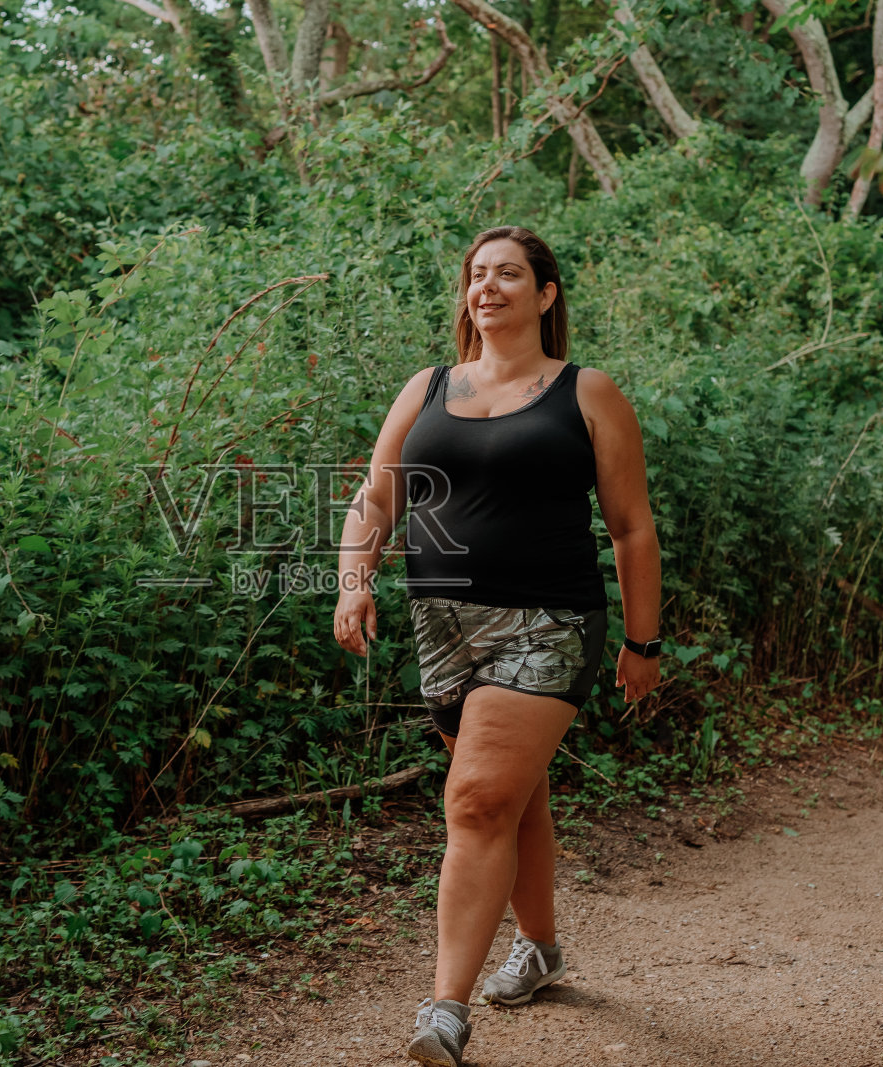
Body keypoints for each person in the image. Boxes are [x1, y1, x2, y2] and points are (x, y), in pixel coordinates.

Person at [333, 225, 663, 1067]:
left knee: (477, 800)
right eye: (477, 275)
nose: (487, 288)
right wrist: (353, 577)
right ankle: (543, 950)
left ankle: (444, 1011)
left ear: (545, 294)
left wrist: (642, 640)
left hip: (549, 620)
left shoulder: (586, 393)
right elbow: (376, 500)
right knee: (516, 798)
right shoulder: (429, 386)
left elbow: (631, 528)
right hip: (441, 623)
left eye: (508, 274)